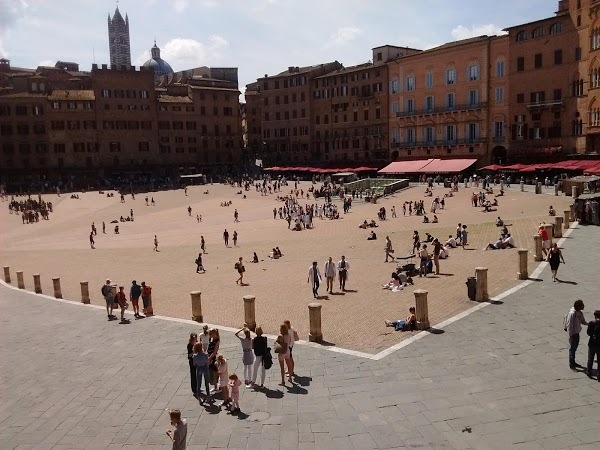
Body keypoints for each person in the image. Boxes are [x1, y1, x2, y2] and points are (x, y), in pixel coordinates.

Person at [565, 300, 587, 370]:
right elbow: (569, 325)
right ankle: (571, 364)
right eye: (582, 305)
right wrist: (570, 335)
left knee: (574, 348)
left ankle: (573, 362)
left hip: (577, 333)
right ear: (578, 306)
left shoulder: (579, 313)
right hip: (573, 334)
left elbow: (583, 321)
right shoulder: (572, 314)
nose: (583, 306)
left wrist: (590, 324)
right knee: (572, 349)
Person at [586, 310, 600, 381]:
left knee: (590, 359)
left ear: (595, 316)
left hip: (592, 344)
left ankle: (589, 372)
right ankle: (599, 375)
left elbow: (588, 333)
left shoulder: (591, 323)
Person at [207, 329, 220, 393]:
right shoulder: (210, 339)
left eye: (210, 334)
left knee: (215, 372)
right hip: (209, 356)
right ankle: (215, 386)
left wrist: (210, 358)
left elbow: (215, 351)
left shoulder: (217, 341)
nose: (209, 335)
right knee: (211, 371)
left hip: (213, 358)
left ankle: (217, 386)